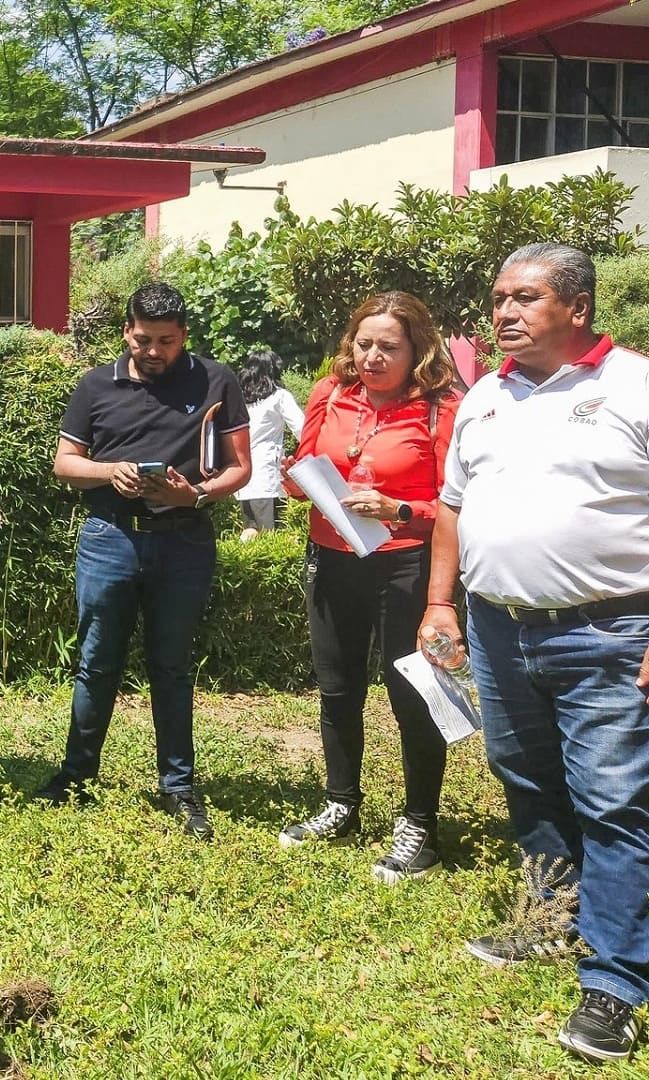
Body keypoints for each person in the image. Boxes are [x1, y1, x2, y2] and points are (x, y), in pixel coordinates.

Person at [423, 243, 649, 1064]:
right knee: (525, 778)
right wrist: (439, 603)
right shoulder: (486, 395)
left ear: (578, 307)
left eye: (524, 298)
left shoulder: (643, 388)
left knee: (613, 800)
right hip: (497, 626)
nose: (504, 314)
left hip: (609, 633)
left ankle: (617, 980)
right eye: (498, 298)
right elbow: (453, 509)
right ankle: (552, 920)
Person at [34, 282, 252, 840]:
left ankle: (178, 787)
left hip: (184, 539)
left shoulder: (216, 381)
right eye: (143, 338)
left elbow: (240, 468)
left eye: (166, 341)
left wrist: (196, 496)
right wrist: (114, 471)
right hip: (111, 538)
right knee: (96, 663)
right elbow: (64, 464)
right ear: (126, 330)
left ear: (184, 337)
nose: (153, 351)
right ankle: (76, 775)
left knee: (172, 668)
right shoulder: (94, 386)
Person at [276, 292, 459, 884]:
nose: (373, 357)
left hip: (404, 565)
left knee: (411, 694)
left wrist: (397, 507)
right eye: (365, 343)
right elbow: (302, 467)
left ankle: (420, 826)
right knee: (337, 688)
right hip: (332, 561)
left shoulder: (440, 409)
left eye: (389, 346)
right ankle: (341, 803)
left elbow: (458, 507)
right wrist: (302, 482)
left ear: (417, 350)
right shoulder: (330, 395)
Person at [233, 349, 301, 540]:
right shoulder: (279, 397)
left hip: (243, 476)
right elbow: (302, 429)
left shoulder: (240, 399)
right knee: (272, 535)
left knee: (249, 531)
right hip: (267, 474)